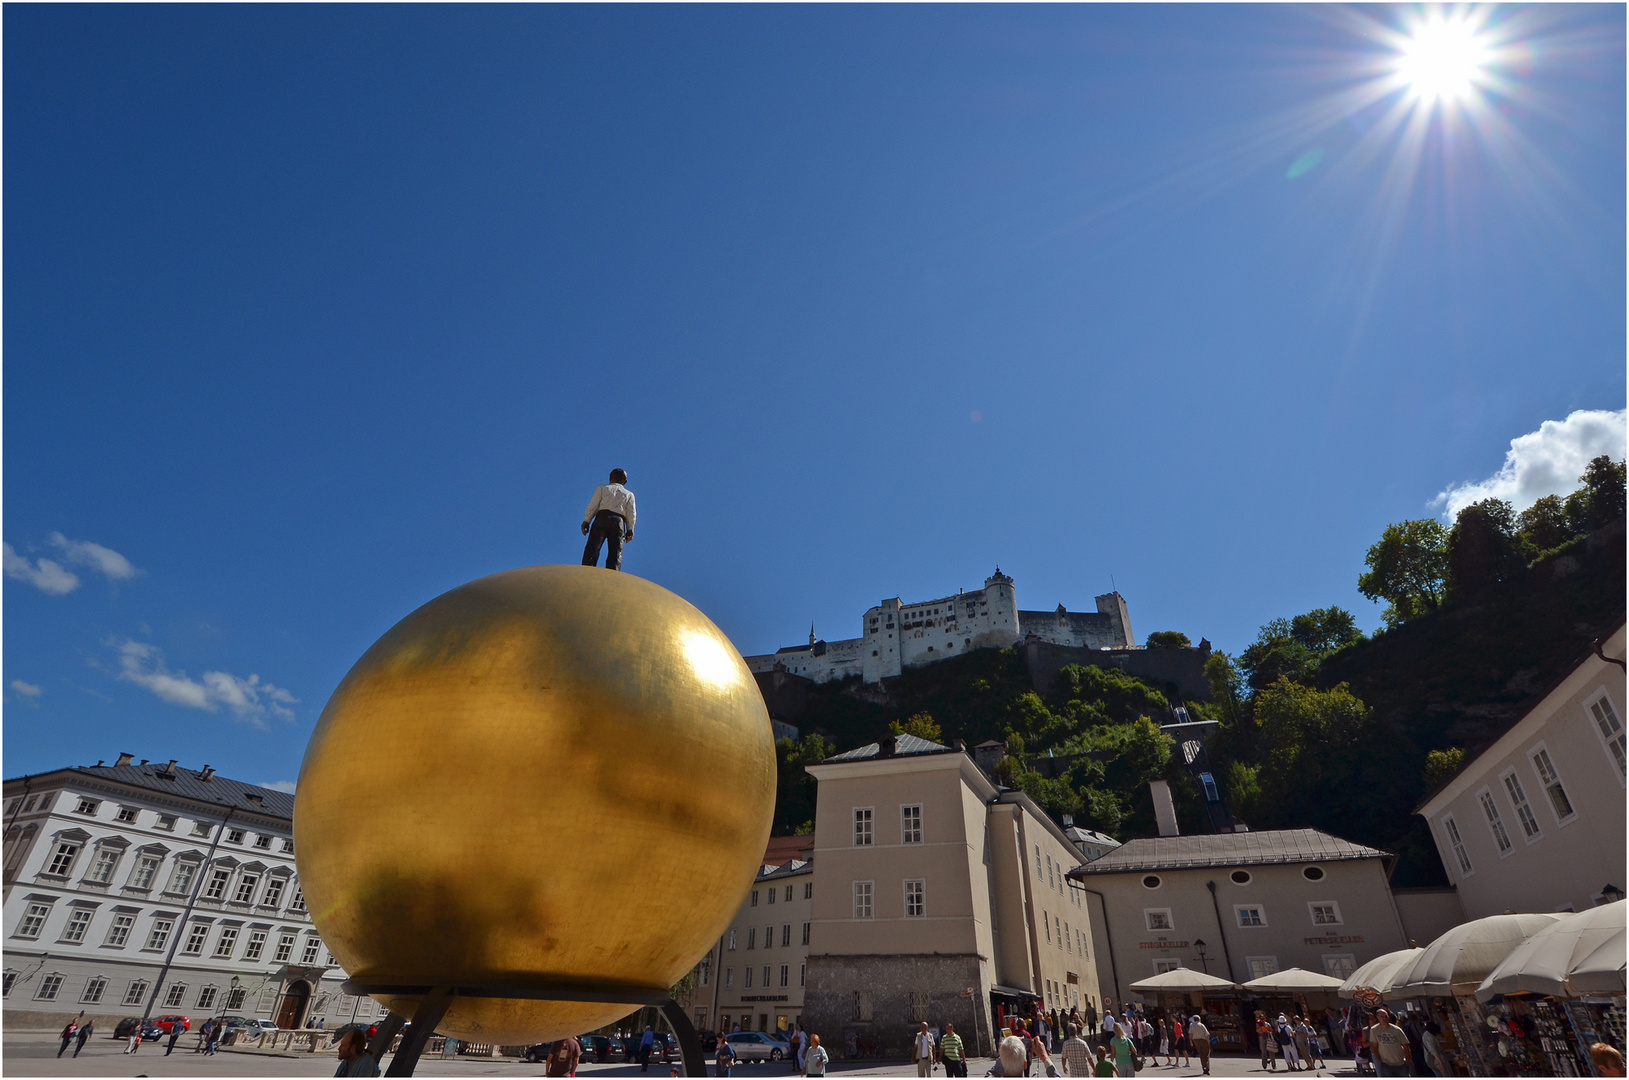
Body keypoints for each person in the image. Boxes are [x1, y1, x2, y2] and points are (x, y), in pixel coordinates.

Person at [581, 468, 636, 570]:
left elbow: (593, 505)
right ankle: (613, 573)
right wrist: (630, 529)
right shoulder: (629, 495)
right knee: (616, 551)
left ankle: (587, 570)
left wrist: (586, 520)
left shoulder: (602, 488)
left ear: (610, 478)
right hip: (618, 522)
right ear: (625, 481)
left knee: (593, 547)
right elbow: (631, 513)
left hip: (601, 518)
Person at [1364, 1008, 1413, 1078]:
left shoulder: (1397, 1030)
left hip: (1401, 1063)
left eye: (1386, 1016)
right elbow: (1374, 1047)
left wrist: (1408, 1060)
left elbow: (1406, 1046)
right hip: (1386, 1064)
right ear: (1378, 1018)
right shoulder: (1374, 1030)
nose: (1384, 1018)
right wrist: (1380, 1062)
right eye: (1382, 1016)